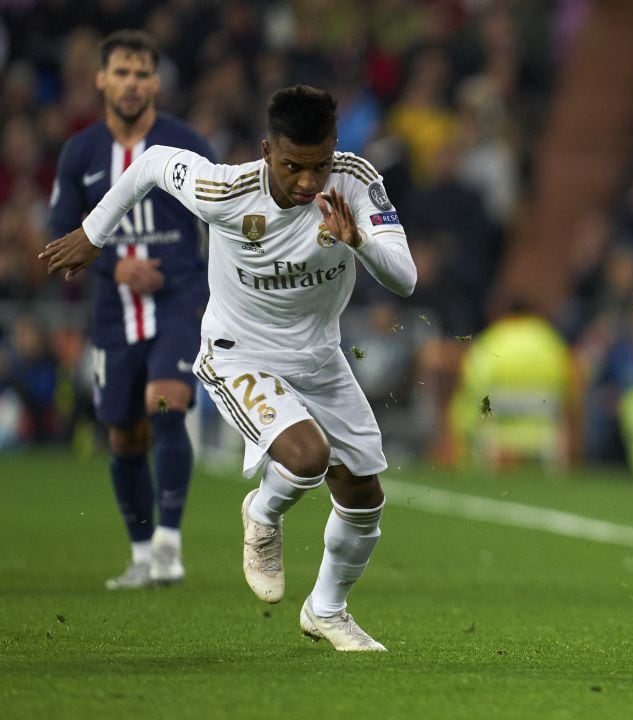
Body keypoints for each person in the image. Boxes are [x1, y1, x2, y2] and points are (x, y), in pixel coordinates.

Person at [42, 84, 417, 652]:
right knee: (306, 458)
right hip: (238, 351)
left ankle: (327, 610)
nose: (308, 183)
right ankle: (262, 513)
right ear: (267, 150)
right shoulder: (225, 189)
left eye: (318, 166)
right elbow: (150, 163)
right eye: (292, 166)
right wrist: (95, 235)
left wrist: (359, 240)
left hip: (320, 359)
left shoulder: (355, 181)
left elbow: (405, 279)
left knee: (364, 498)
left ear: (335, 149)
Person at [48, 30, 215, 590]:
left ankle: (169, 545)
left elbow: (219, 219)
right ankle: (141, 553)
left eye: (142, 73)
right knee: (122, 436)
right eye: (121, 72)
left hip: (178, 301)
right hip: (115, 311)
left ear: (156, 82)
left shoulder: (186, 143)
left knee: (165, 402)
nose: (132, 84)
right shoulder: (80, 152)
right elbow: (59, 236)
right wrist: (115, 266)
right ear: (101, 80)